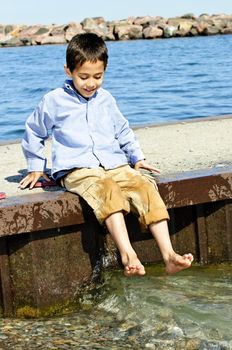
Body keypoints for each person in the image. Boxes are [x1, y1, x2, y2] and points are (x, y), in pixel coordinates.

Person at [20, 33, 193, 277]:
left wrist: (136, 157)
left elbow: (123, 130)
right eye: (84, 77)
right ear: (68, 71)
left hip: (114, 162)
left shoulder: (107, 99)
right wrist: (36, 166)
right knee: (106, 188)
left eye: (98, 77)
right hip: (77, 168)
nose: (91, 83)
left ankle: (169, 254)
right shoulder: (54, 100)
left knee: (144, 186)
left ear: (105, 70)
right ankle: (128, 254)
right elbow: (34, 131)